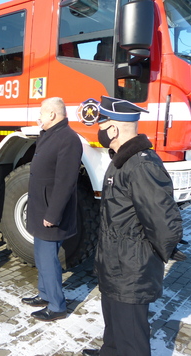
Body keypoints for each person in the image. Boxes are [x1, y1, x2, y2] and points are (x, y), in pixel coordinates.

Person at [82, 96, 183, 356]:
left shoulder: (141, 165)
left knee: (132, 341)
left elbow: (163, 221)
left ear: (113, 130)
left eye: (103, 124)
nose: (100, 130)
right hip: (115, 266)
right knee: (114, 329)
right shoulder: (122, 160)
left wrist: (161, 253)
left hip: (131, 271)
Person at [21, 97, 83, 322]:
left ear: (53, 115)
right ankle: (45, 294)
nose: (38, 117)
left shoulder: (68, 139)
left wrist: (53, 214)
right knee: (41, 256)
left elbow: (66, 181)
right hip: (41, 209)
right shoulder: (49, 135)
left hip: (51, 213)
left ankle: (57, 306)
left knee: (48, 259)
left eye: (41, 113)